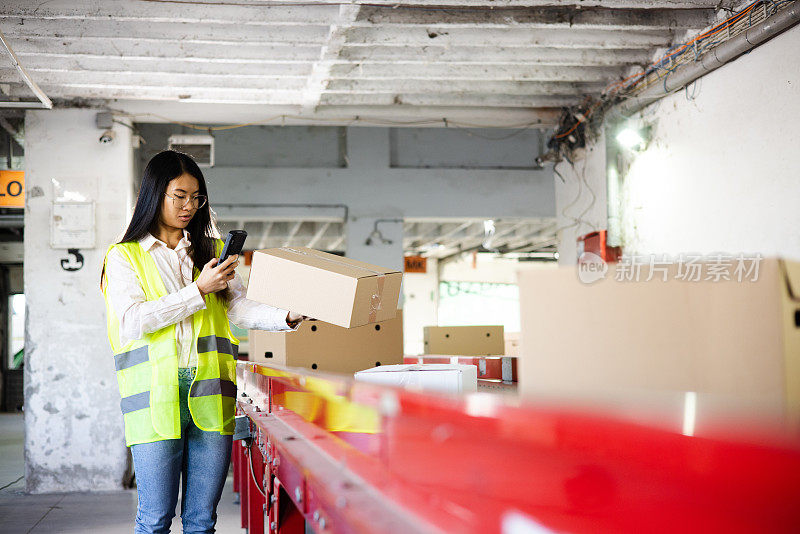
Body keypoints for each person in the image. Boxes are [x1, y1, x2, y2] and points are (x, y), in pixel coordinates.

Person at [100, 150, 304, 534]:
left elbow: (238, 309)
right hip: (155, 398)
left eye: (197, 197)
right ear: (154, 194)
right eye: (179, 196)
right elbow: (133, 320)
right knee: (155, 519)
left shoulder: (209, 252)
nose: (189, 206)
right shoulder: (125, 257)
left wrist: (286, 316)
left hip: (212, 394)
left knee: (201, 521)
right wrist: (198, 289)